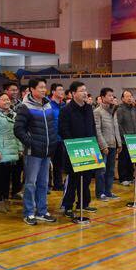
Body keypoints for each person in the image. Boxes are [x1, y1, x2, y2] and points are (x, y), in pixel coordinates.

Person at [14, 78, 57, 225]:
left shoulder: (48, 104)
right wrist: (31, 143)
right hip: (33, 152)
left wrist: (52, 142)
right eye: (40, 87)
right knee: (30, 183)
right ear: (32, 89)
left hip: (46, 151)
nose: (44, 90)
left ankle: (42, 211)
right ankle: (29, 213)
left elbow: (51, 126)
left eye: (45, 87)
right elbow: (18, 129)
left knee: (44, 183)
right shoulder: (25, 106)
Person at [59, 81, 98, 218]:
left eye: (85, 90)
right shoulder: (66, 110)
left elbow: (92, 126)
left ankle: (83, 203)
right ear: (73, 93)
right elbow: (63, 130)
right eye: (81, 90)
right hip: (74, 149)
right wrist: (73, 145)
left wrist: (94, 143)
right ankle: (67, 206)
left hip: (88, 148)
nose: (85, 93)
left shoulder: (88, 108)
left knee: (86, 179)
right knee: (73, 180)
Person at [0, 93, 23, 213]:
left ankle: (6, 198)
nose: (7, 101)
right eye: (3, 100)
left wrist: (20, 148)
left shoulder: (14, 114)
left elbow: (17, 133)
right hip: (1, 150)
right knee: (0, 178)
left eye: (8, 99)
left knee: (8, 178)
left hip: (12, 149)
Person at [93, 88, 122, 201]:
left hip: (113, 144)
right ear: (102, 97)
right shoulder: (97, 111)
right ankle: (100, 193)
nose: (111, 97)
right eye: (109, 95)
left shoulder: (113, 111)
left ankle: (108, 191)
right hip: (104, 146)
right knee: (101, 171)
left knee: (111, 170)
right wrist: (103, 145)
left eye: (112, 95)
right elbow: (97, 130)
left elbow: (116, 128)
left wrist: (119, 143)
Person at [3, 82, 24, 198]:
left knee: (18, 168)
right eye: (12, 90)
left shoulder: (21, 104)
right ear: (6, 91)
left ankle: (16, 190)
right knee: (6, 170)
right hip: (6, 141)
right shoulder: (1, 105)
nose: (15, 92)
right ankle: (4, 194)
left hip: (18, 139)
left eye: (16, 90)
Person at [116, 90, 136, 186]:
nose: (129, 98)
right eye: (127, 96)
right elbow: (118, 124)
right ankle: (123, 178)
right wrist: (124, 136)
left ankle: (130, 177)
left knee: (131, 159)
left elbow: (135, 123)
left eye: (131, 96)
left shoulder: (133, 109)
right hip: (124, 139)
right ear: (122, 98)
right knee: (123, 159)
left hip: (133, 138)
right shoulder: (120, 109)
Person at [48, 83, 65, 191]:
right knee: (48, 164)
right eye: (59, 90)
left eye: (62, 90)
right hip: (51, 138)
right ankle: (47, 185)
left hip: (61, 139)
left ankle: (58, 184)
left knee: (59, 163)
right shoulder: (48, 105)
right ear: (53, 92)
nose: (62, 92)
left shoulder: (64, 105)